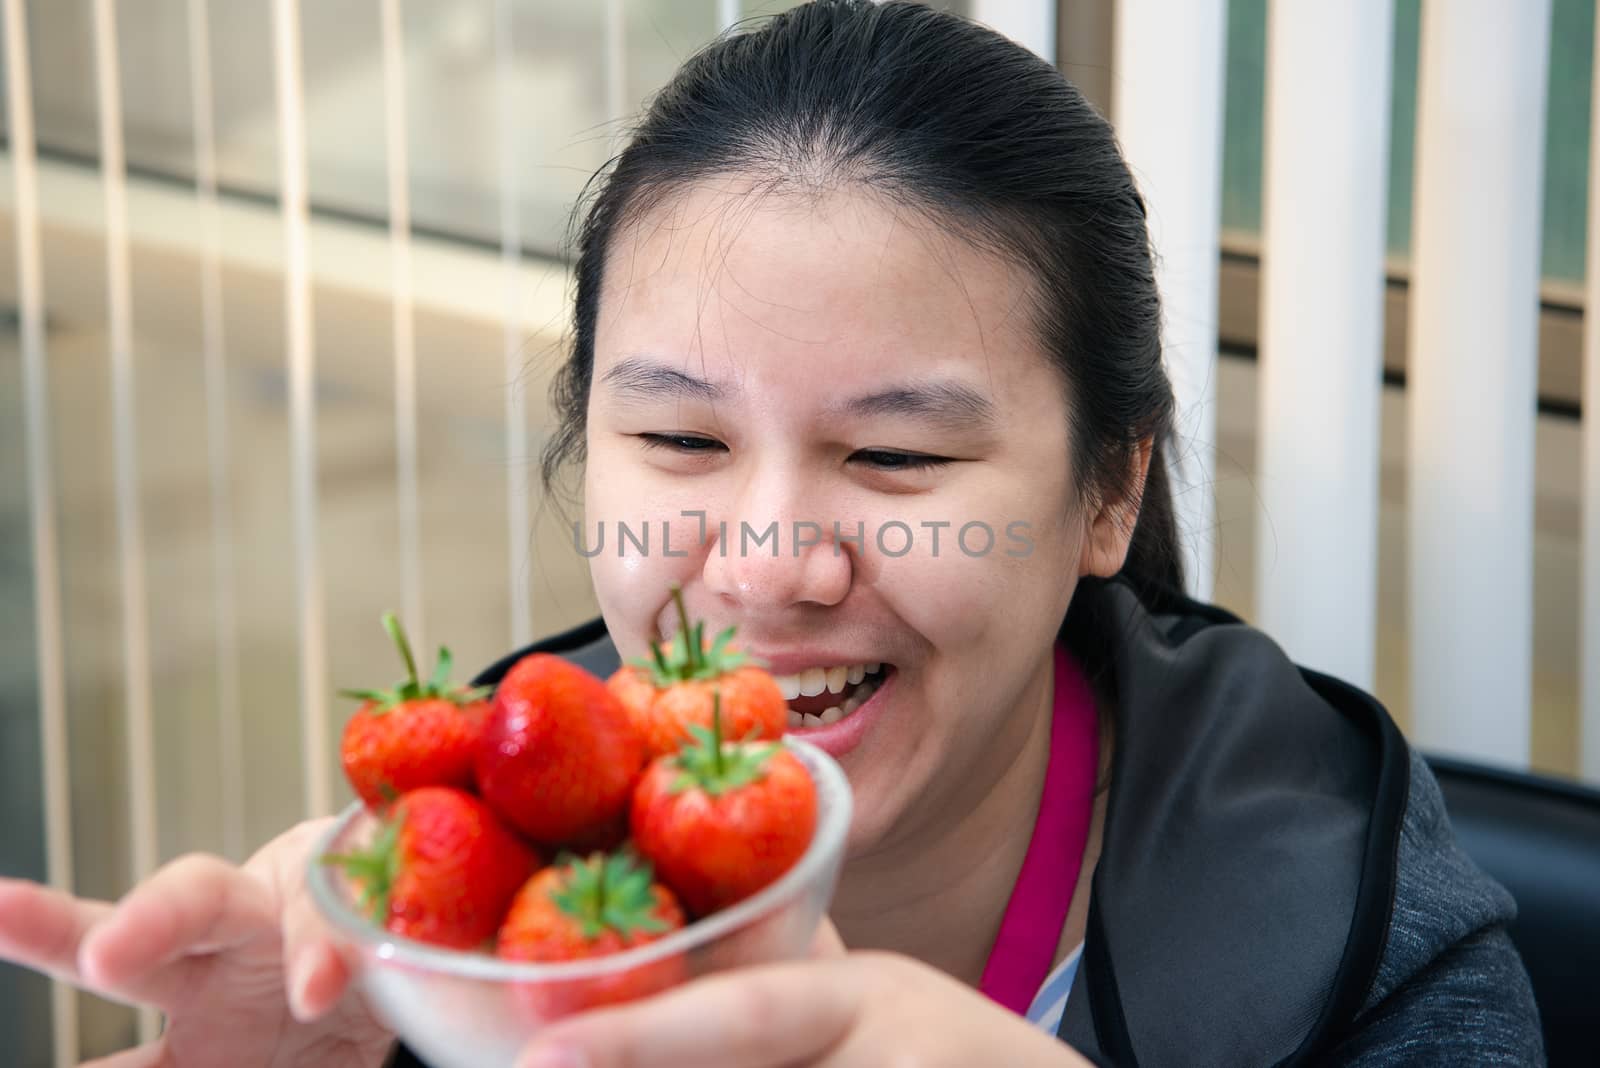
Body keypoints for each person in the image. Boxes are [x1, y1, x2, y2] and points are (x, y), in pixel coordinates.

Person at [0, 2, 1543, 1065]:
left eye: (894, 453)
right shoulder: (453, 899)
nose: (767, 563)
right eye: (680, 440)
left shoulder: (1359, 931)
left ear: (1109, 492)